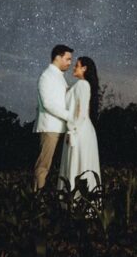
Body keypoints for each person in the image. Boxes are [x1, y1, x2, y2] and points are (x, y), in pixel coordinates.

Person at [33, 44, 75, 191]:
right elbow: (48, 104)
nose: (70, 63)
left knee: (58, 167)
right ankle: (37, 199)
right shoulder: (46, 76)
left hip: (61, 127)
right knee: (44, 166)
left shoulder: (60, 77)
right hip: (50, 128)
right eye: (68, 59)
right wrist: (70, 116)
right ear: (57, 57)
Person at [58, 56, 101, 197]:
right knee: (80, 164)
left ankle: (76, 204)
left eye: (77, 65)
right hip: (81, 129)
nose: (74, 67)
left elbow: (81, 112)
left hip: (79, 131)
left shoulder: (82, 84)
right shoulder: (81, 85)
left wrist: (72, 131)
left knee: (77, 164)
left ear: (84, 69)